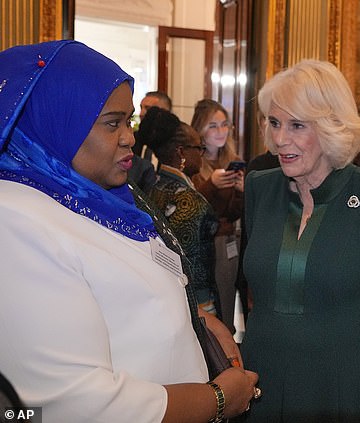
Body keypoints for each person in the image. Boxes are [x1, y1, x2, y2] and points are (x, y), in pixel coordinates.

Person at [0, 40, 259, 422]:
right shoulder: (16, 220)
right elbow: (77, 405)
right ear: (58, 120)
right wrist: (218, 399)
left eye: (129, 121)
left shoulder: (99, 195)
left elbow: (124, 296)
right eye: (112, 123)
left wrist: (197, 320)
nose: (129, 137)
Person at [240, 59, 360, 422]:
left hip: (341, 383)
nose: (280, 138)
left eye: (297, 125)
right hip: (260, 378)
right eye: (274, 123)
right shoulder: (259, 187)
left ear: (332, 127)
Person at [141, 106, 221, 316]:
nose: (202, 155)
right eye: (199, 148)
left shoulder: (152, 188)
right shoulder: (190, 202)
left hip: (163, 298)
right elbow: (191, 269)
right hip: (197, 303)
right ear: (182, 152)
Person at [191, 99, 245, 334]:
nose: (221, 131)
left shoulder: (231, 159)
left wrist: (243, 192)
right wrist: (211, 185)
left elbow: (233, 213)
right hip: (205, 245)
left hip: (230, 240)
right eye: (213, 126)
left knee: (227, 298)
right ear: (200, 130)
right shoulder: (193, 163)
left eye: (225, 125)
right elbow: (193, 212)